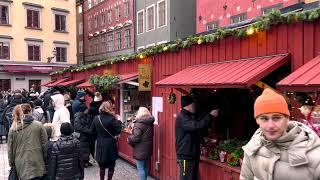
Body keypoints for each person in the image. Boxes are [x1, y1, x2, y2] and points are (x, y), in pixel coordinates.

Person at [240, 89, 320, 180]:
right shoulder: (252, 149)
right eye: (264, 119)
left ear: (287, 118)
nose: (270, 126)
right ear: (257, 120)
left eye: (276, 118)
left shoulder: (315, 156)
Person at [175, 95, 219, 180]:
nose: (195, 106)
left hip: (191, 155)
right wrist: (211, 116)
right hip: (185, 157)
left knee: (192, 177)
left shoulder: (188, 116)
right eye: (193, 104)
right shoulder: (183, 118)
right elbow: (196, 126)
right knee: (185, 178)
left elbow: (196, 130)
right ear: (189, 106)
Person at [7, 104, 48, 180]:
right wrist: (45, 159)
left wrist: (12, 164)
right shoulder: (39, 125)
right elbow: (45, 145)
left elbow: (10, 150)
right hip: (37, 162)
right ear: (29, 112)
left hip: (21, 164)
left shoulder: (13, 129)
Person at [91, 101, 122, 180]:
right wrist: (119, 120)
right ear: (109, 108)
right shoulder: (111, 119)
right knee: (111, 166)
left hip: (100, 143)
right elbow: (118, 130)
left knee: (102, 166)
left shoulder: (96, 118)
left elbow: (92, 131)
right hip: (110, 144)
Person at [128, 107, 154, 180]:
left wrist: (129, 138)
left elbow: (136, 138)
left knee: (140, 168)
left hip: (140, 149)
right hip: (148, 148)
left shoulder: (138, 124)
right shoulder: (150, 122)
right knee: (146, 166)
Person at [88, 91, 103, 158]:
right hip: (99, 124)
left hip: (92, 124)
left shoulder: (91, 106)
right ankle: (98, 153)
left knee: (93, 140)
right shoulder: (100, 107)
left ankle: (93, 153)